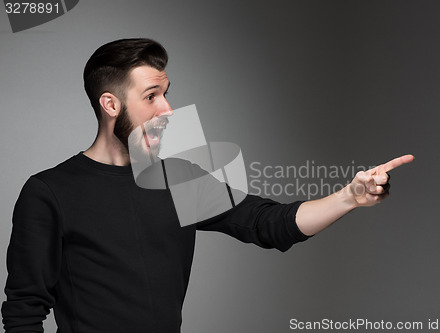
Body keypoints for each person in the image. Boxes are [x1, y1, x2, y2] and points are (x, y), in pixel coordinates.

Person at [1, 38, 414, 333]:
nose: (167, 109)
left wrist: (349, 197)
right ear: (111, 104)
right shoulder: (49, 192)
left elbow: (269, 224)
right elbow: (24, 310)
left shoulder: (179, 178)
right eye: (151, 97)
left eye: (166, 93)